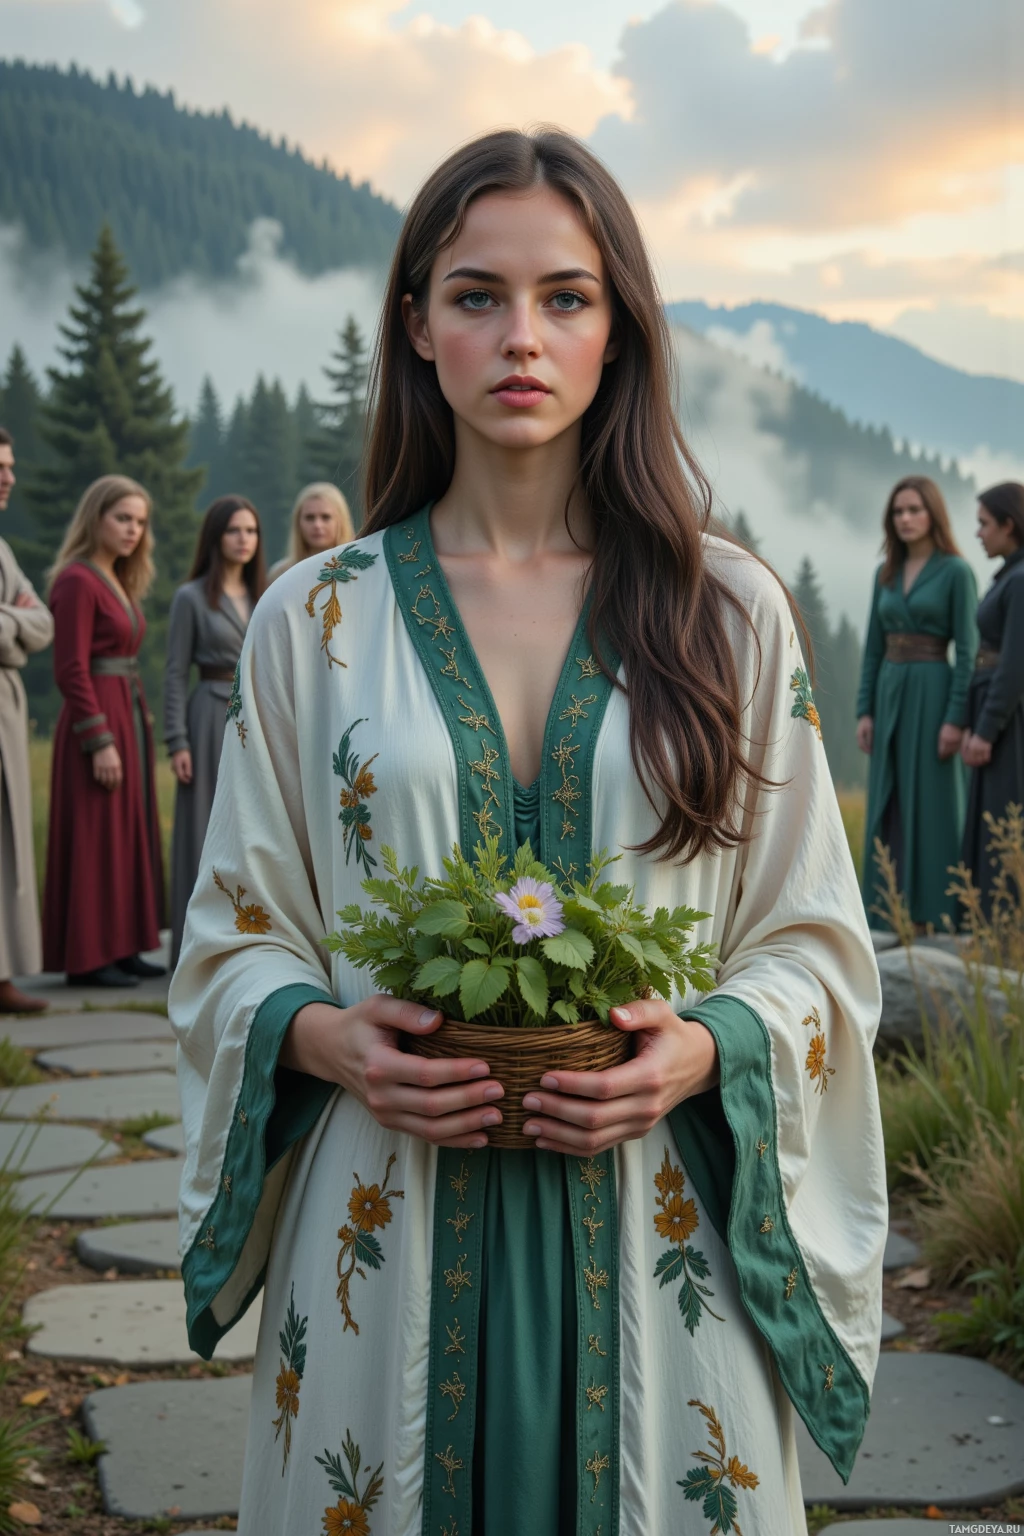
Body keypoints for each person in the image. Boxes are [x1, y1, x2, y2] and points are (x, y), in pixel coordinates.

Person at [171, 130, 885, 1536]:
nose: (520, 337)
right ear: (415, 326)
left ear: (619, 331)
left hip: (662, 1228)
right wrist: (326, 1040)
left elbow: (814, 943)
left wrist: (702, 1049)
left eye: (566, 297)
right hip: (383, 1216)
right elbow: (233, 940)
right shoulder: (313, 621)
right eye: (475, 295)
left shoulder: (729, 614)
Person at [43, 475, 165, 987]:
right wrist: (98, 740)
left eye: (140, 521)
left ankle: (123, 945)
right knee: (97, 835)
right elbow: (70, 668)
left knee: (126, 831)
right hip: (96, 722)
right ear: (95, 519)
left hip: (126, 716)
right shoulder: (77, 580)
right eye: (122, 518)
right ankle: (89, 957)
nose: (133, 529)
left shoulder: (116, 578)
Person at [856, 476, 977, 930]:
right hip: (889, 694)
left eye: (914, 510)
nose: (905, 518)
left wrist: (956, 717)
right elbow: (873, 646)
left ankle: (939, 912)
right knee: (886, 799)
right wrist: (864, 709)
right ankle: (885, 911)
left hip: (934, 693)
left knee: (935, 802)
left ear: (933, 514)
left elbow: (968, 651)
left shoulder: (956, 572)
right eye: (898, 511)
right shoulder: (885, 573)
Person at [165, 495, 265, 966]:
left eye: (251, 530)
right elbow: (173, 672)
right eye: (234, 530)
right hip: (207, 716)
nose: (244, 539)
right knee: (202, 829)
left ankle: (245, 947)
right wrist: (176, 740)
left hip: (255, 719)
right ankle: (191, 952)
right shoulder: (190, 598)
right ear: (215, 537)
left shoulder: (266, 594)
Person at [0, 427, 54, 1014]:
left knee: (7, 837)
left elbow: (42, 624)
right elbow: (25, 625)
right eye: (0, 467)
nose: (9, 476)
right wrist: (15, 622)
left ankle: (4, 971)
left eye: (10, 465)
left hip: (7, 710)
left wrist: (11, 623)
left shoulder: (3, 551)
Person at [961, 482, 1024, 916]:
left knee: (1005, 814)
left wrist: (986, 729)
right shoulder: (1008, 577)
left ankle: (1007, 920)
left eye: (984, 523)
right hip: (993, 716)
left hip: (1008, 722)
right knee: (992, 816)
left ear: (1009, 524)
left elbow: (1015, 665)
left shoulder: (1020, 581)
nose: (978, 533)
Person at [267, 482, 354, 581]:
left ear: (341, 521)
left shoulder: (358, 570)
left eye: (326, 517)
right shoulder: (281, 574)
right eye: (309, 517)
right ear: (298, 522)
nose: (317, 525)